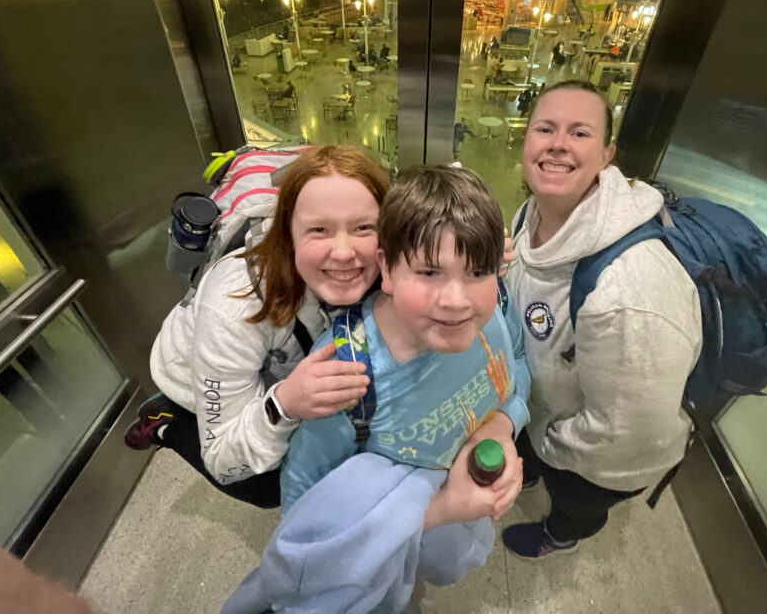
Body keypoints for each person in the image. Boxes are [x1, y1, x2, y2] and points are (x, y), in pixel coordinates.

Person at [225, 167, 529, 613]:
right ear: (385, 268)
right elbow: (314, 523)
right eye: (428, 272)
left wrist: (503, 426)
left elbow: (519, 365)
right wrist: (441, 510)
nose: (457, 300)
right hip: (386, 559)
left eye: (477, 272)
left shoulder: (495, 308)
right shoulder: (346, 376)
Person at [501, 80, 702, 560]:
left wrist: (552, 445)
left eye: (580, 133)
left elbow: (627, 434)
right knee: (533, 457)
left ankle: (562, 536)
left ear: (607, 153)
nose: (557, 144)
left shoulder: (629, 291)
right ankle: (532, 466)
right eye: (545, 128)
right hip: (544, 410)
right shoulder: (534, 212)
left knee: (576, 503)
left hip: (592, 458)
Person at [123, 146, 388, 508]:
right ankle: (166, 422)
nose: (343, 252)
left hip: (285, 365)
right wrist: (283, 405)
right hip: (198, 377)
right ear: (287, 234)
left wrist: (481, 267)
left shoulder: (388, 257)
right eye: (318, 230)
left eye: (363, 228)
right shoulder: (233, 306)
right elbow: (222, 463)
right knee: (267, 488)